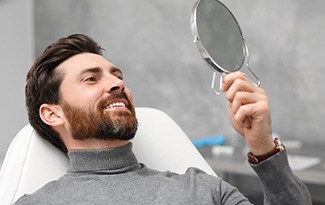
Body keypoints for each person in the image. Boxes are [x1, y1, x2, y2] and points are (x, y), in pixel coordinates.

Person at [14, 34, 311, 204]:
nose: (116, 84)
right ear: (53, 113)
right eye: (91, 79)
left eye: (117, 76)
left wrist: (263, 148)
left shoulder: (203, 190)